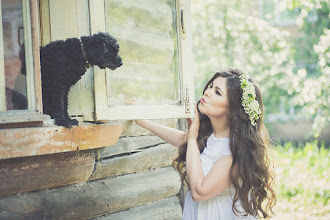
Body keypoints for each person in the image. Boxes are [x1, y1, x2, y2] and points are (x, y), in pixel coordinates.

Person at [135, 68, 276, 219]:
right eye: (211, 86)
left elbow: (199, 192)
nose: (207, 92)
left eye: (217, 92)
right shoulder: (210, 136)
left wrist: (191, 139)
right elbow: (181, 140)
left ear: (232, 109)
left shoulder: (233, 153)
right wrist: (142, 121)